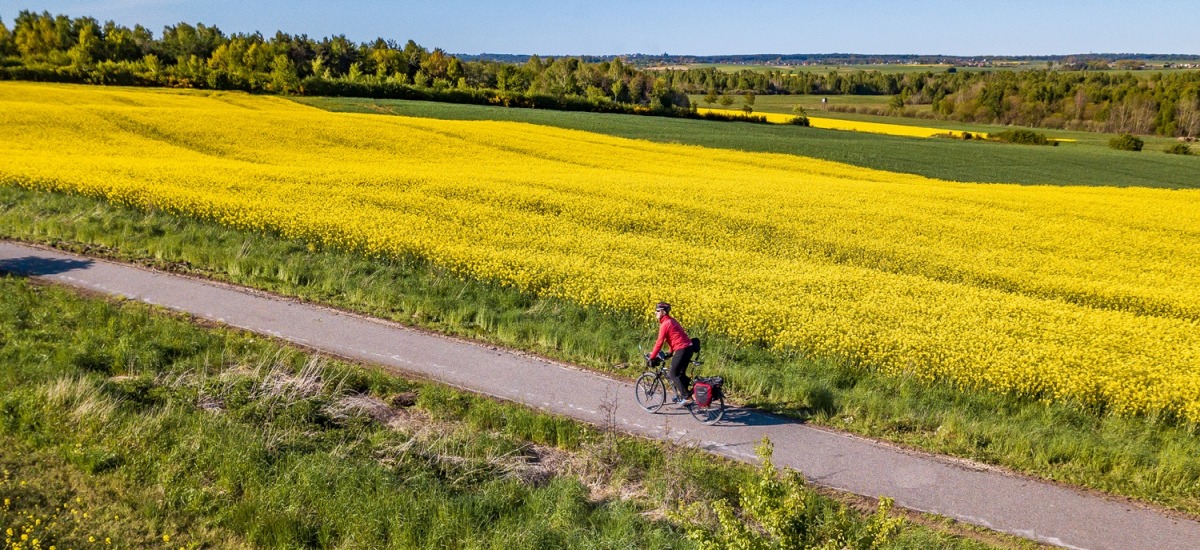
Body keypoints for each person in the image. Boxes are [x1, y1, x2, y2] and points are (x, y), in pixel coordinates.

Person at [648, 302, 695, 405]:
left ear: (663, 312)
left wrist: (652, 357)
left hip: (682, 349)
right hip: (688, 348)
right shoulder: (672, 321)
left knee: (673, 374)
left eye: (657, 311)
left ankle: (686, 397)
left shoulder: (665, 324)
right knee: (680, 374)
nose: (655, 313)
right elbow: (674, 337)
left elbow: (659, 342)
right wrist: (670, 352)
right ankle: (690, 393)